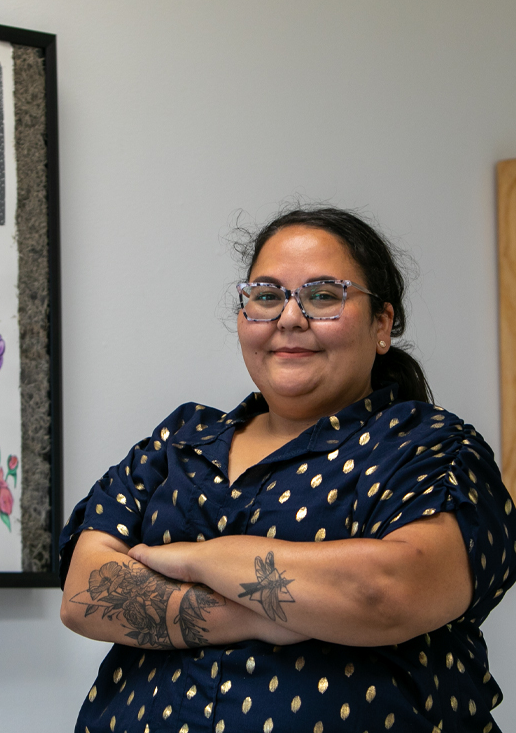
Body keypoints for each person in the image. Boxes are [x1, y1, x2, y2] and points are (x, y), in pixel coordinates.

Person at [59, 206, 515, 733]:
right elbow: (85, 593)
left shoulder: (429, 446)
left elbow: (387, 591)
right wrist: (278, 613)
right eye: (268, 296)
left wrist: (202, 557)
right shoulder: (180, 442)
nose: (290, 318)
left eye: (323, 296)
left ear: (382, 324)